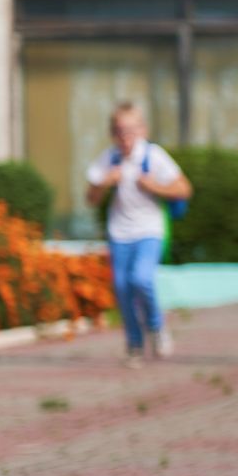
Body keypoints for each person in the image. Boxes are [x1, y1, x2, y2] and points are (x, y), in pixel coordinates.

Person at [84, 102, 190, 367]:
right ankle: (134, 344)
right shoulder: (109, 159)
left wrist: (153, 185)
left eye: (131, 130)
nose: (125, 137)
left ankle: (156, 326)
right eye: (120, 131)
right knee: (122, 288)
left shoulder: (153, 156)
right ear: (112, 133)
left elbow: (184, 189)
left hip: (149, 230)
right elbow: (91, 198)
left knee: (141, 279)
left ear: (143, 130)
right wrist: (106, 183)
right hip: (119, 232)